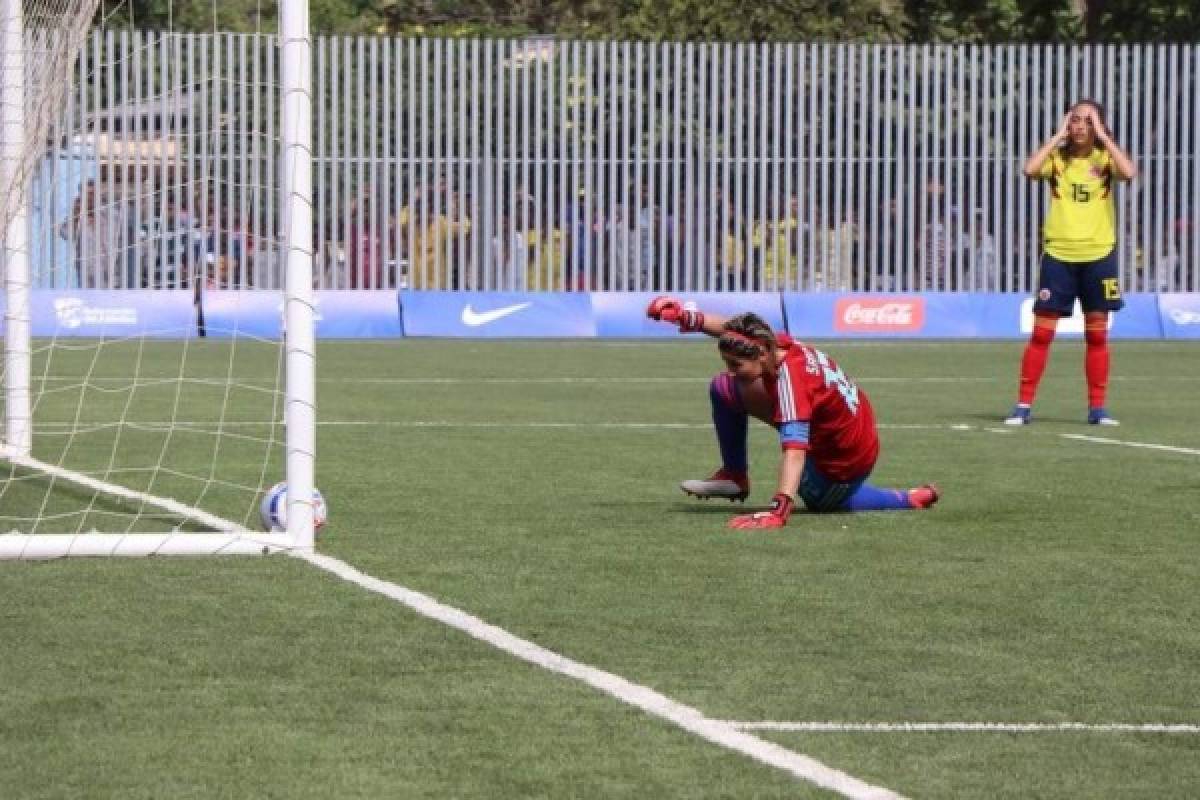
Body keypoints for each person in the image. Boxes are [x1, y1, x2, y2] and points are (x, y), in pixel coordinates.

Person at [646, 297, 939, 529]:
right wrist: (686, 317)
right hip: (841, 425)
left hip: (845, 460)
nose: (731, 369)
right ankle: (735, 476)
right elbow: (730, 330)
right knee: (725, 388)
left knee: (820, 501)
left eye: (736, 364)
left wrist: (779, 508)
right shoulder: (776, 345)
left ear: (762, 355)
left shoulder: (792, 382)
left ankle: (906, 498)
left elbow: (794, 452)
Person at [1006, 99, 1138, 426]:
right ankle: (1023, 406)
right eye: (1075, 120)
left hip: (1098, 255)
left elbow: (1129, 172)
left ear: (1099, 127)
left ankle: (1097, 409)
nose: (1080, 126)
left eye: (1087, 121)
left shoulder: (1105, 157)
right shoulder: (1058, 159)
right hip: (1059, 256)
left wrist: (1105, 137)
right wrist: (1056, 136)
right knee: (1041, 335)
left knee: (1096, 336)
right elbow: (1028, 170)